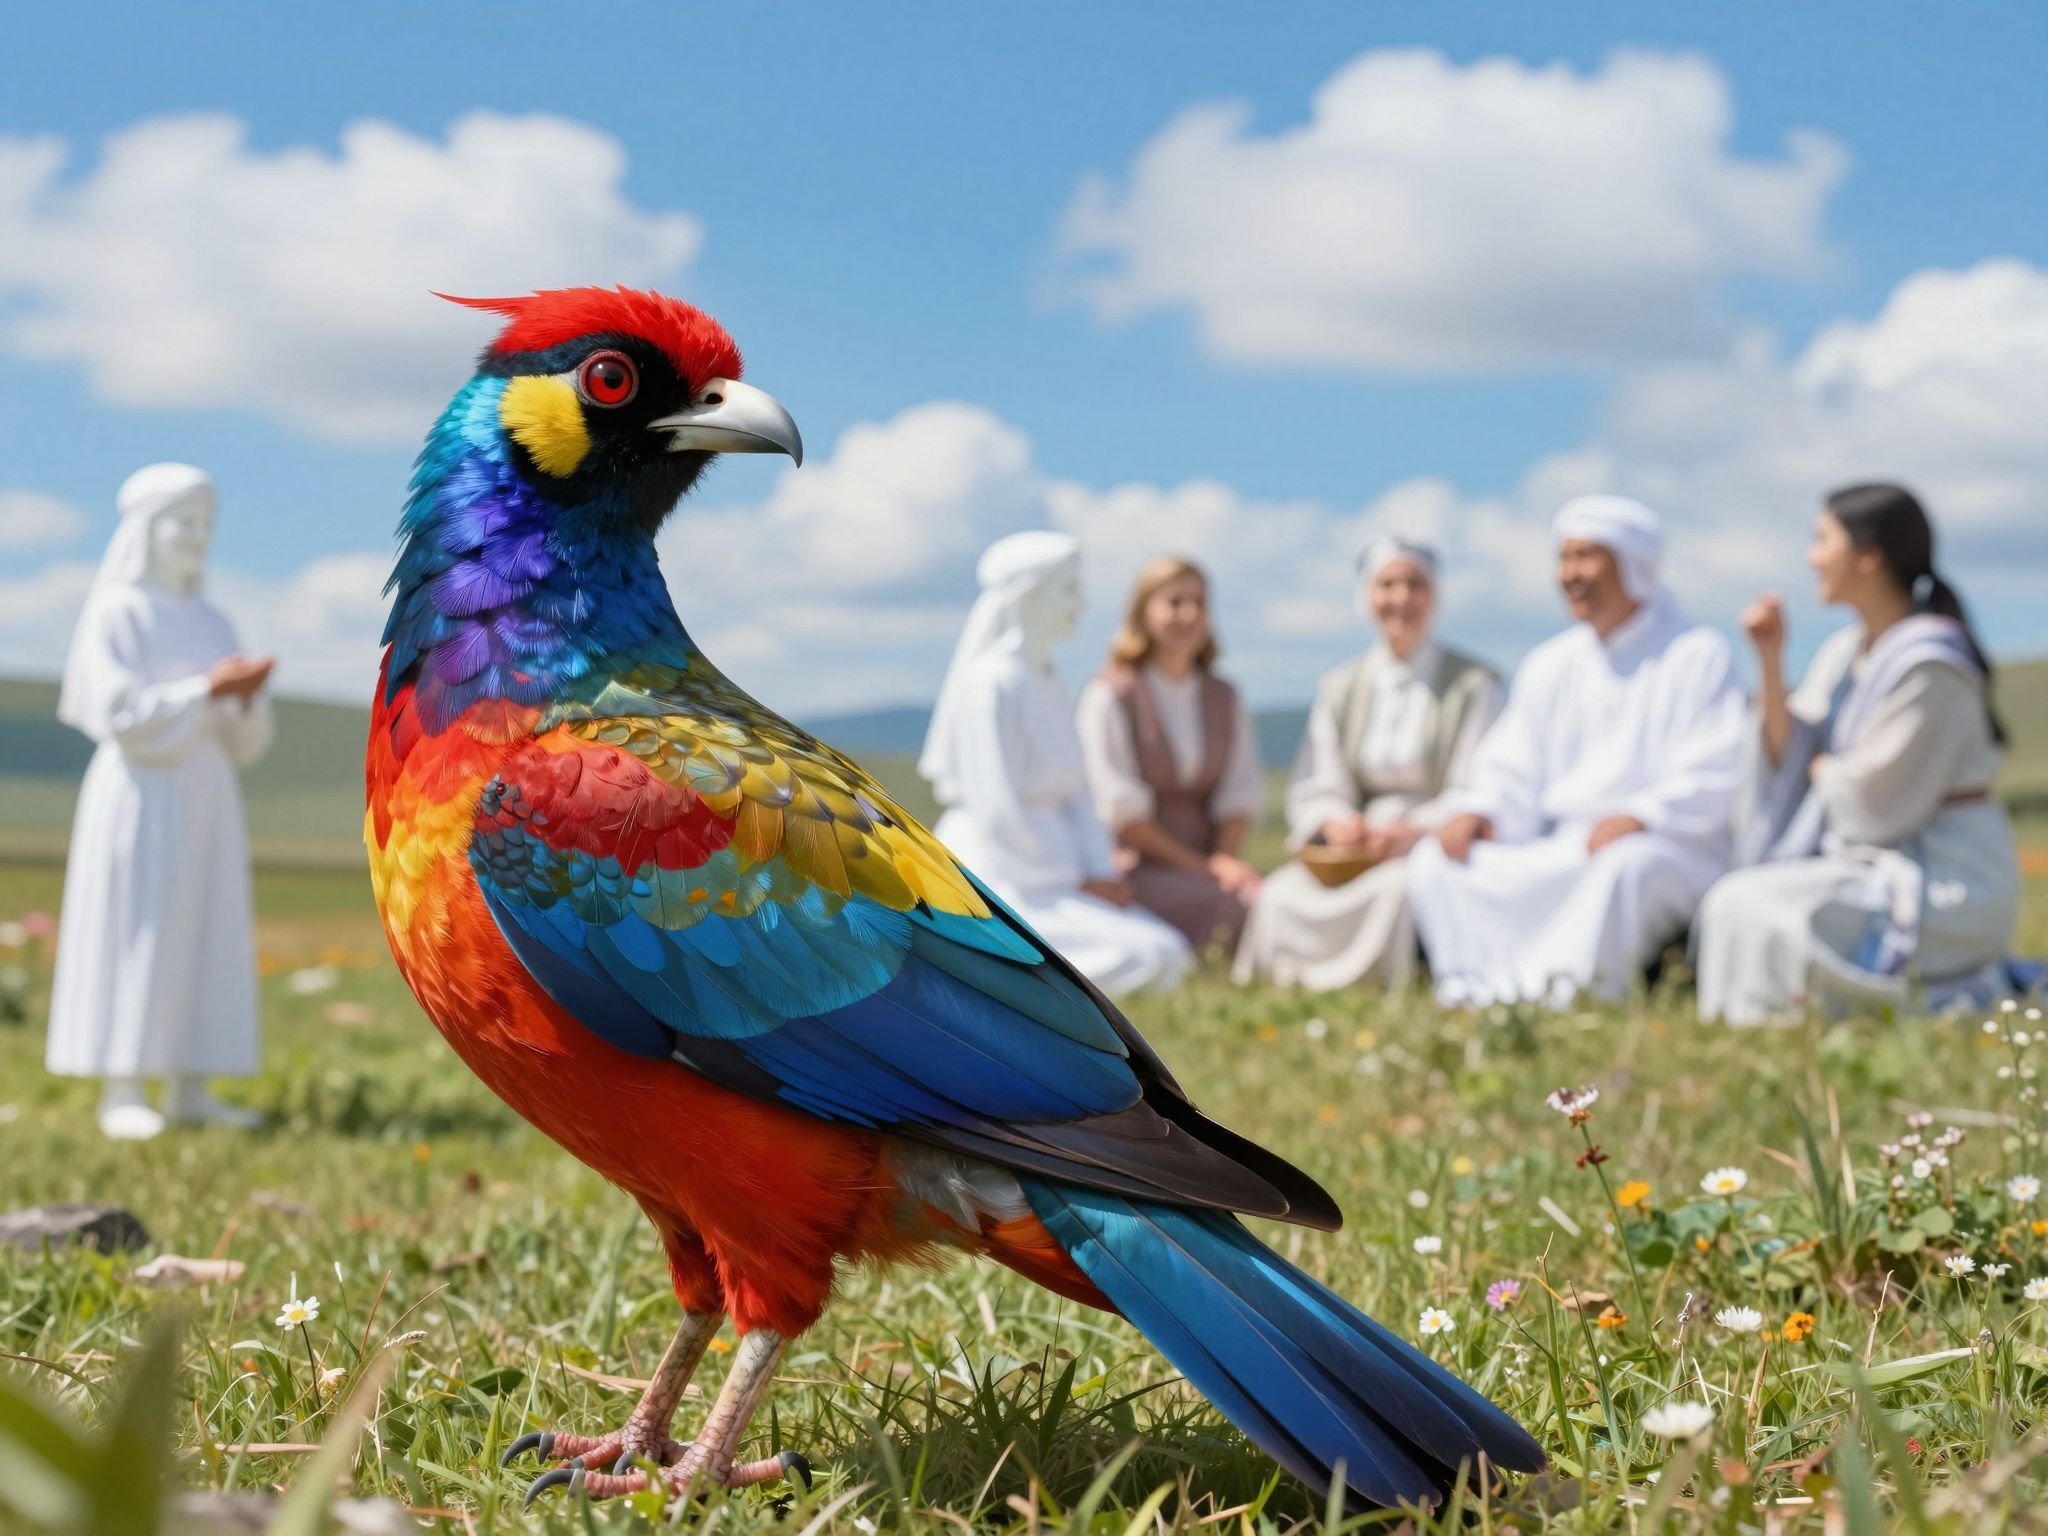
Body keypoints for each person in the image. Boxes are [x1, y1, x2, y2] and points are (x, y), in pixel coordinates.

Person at [1697, 484, 2021, 1023]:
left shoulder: (1930, 665)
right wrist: (1771, 663)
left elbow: (1877, 805)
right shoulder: (1844, 653)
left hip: (1946, 876)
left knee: (1753, 905)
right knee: (1738, 899)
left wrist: (1825, 768)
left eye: (1823, 540)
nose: (1811, 557)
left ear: (1868, 557)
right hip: (1879, 866)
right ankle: (1763, 1022)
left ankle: (1777, 1022)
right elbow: (1791, 756)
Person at [1408, 496, 1746, 1007]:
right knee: (1439, 858)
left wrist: (1641, 816)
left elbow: (1717, 770)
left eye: (1587, 556)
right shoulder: (1551, 663)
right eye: (1564, 558)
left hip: (1663, 844)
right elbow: (1512, 766)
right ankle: (1477, 990)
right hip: (1564, 843)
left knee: (1623, 871)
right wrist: (1481, 812)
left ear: (1633, 565)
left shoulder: (1697, 655)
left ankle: (1572, 995)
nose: (1570, 574)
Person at [46, 463, 276, 1138]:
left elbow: (243, 740)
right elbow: (117, 711)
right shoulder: (119, 613)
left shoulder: (212, 617)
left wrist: (245, 695)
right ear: (146, 530)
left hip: (207, 792)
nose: (198, 537)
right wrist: (205, 689)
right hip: (141, 795)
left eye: (207, 524)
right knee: (138, 923)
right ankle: (123, 1084)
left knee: (204, 922)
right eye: (185, 522)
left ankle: (191, 1084)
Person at [919, 531, 1191, 995]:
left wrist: (1098, 873)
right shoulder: (991, 686)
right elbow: (999, 811)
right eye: (1068, 589)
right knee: (1147, 957)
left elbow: (1078, 794)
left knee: (1168, 950)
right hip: (1002, 875)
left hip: (1058, 874)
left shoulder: (1048, 680)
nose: (1080, 603)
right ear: (1030, 597)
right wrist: (1079, 881)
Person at [1232, 538, 1501, 990]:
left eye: (1414, 584)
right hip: (1358, 842)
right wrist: (1338, 825)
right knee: (1281, 893)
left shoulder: (1475, 685)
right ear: (1367, 596)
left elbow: (1478, 784)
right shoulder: (1340, 686)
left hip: (1428, 838)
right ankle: (1287, 984)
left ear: (1433, 596)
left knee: (1395, 892)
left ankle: (1378, 984)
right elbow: (1319, 782)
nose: (1401, 598)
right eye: (1387, 584)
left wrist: (1412, 830)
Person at [1075, 557, 1265, 954]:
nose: (1190, 614)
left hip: (1210, 862)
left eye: (1199, 602)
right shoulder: (1111, 696)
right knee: (1239, 904)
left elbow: (1238, 793)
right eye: (1175, 602)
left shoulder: (1223, 696)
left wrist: (1223, 860)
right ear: (1143, 612)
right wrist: (1205, 869)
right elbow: (1121, 815)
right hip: (1138, 866)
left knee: (1267, 897)